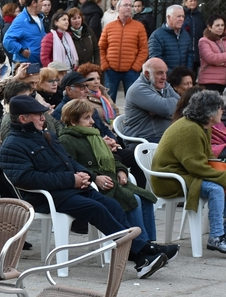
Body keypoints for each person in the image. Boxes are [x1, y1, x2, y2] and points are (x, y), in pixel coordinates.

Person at [0, 95, 168, 275]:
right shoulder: (12, 145)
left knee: (113, 205)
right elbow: (27, 179)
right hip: (46, 197)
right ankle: (143, 251)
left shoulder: (46, 136)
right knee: (96, 209)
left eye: (43, 114)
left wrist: (85, 174)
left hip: (70, 190)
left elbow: (69, 160)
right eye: (38, 115)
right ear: (23, 118)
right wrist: (72, 180)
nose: (43, 118)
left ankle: (140, 255)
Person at [58, 99, 173, 256]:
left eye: (91, 117)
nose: (92, 121)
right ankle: (140, 245)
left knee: (145, 197)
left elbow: (112, 158)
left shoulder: (94, 135)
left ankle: (148, 242)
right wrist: (95, 177)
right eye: (86, 118)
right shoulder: (66, 140)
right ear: (73, 121)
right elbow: (73, 167)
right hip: (98, 186)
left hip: (112, 180)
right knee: (132, 199)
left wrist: (121, 170)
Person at [152, 90, 226, 253]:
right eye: (220, 108)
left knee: (225, 183)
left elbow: (208, 160)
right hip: (170, 180)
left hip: (186, 174)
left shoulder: (203, 127)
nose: (223, 111)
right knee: (216, 187)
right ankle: (216, 237)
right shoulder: (190, 129)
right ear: (210, 113)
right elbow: (196, 166)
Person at [99, 0, 149, 100]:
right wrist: (105, 65)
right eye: (125, 5)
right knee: (109, 99)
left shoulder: (139, 27)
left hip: (131, 71)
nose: (129, 8)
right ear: (118, 8)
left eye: (130, 5)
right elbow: (101, 47)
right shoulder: (109, 27)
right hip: (111, 70)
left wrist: (136, 66)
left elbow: (143, 49)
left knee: (133, 99)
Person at [123, 58, 180, 142]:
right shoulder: (138, 89)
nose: (164, 77)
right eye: (160, 73)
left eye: (165, 72)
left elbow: (182, 104)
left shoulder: (163, 84)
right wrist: (166, 109)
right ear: (147, 74)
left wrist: (163, 109)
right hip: (144, 138)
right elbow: (165, 109)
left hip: (162, 136)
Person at [2, 0, 46, 72]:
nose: (43, 3)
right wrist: (23, 51)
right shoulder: (21, 20)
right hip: (24, 65)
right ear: (34, 3)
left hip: (38, 63)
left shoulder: (40, 17)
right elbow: (7, 40)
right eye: (41, 1)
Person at [198, 13, 226, 92]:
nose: (220, 28)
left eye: (222, 25)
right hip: (210, 81)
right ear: (209, 27)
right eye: (217, 25)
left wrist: (224, 63)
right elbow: (211, 58)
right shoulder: (204, 41)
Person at [148, 4, 193, 71]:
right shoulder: (157, 36)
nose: (181, 19)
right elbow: (156, 60)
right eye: (178, 16)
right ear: (169, 17)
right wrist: (172, 75)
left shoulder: (185, 35)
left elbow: (189, 56)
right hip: (165, 76)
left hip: (183, 75)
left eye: (183, 16)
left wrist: (187, 73)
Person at [182, 0, 206, 71]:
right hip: (184, 47)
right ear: (185, 2)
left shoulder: (199, 15)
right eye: (191, 1)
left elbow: (204, 29)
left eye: (195, 1)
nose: (193, 2)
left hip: (197, 48)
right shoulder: (182, 15)